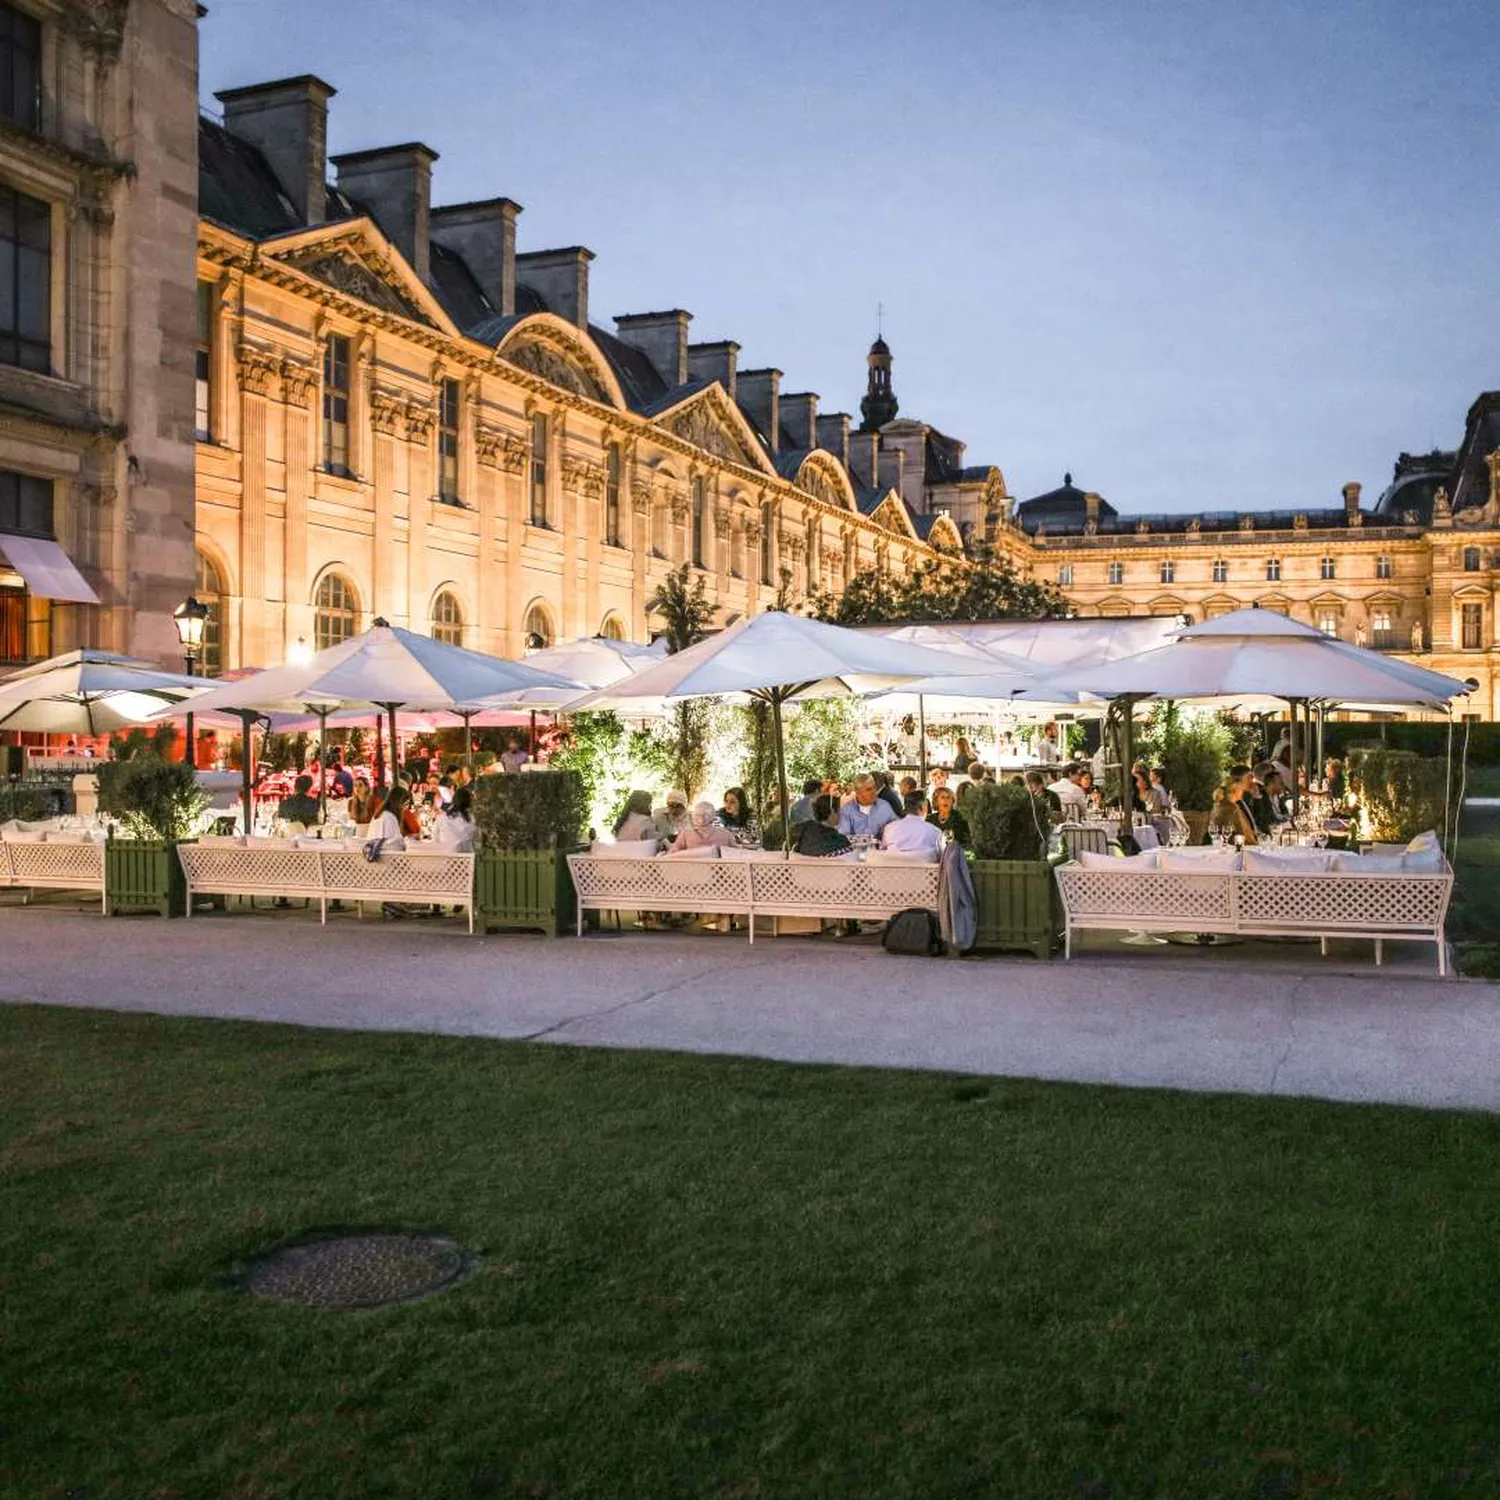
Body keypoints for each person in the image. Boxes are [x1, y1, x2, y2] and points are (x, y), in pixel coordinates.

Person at [837, 773, 897, 841]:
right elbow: (844, 837)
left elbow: (896, 829)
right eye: (869, 789)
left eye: (874, 787)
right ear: (858, 792)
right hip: (857, 850)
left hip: (880, 850)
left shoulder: (885, 806)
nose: (874, 791)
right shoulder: (847, 810)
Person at [883, 791, 944, 855]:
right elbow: (942, 856)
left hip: (893, 864)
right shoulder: (935, 832)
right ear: (922, 808)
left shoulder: (889, 829)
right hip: (924, 864)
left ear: (905, 808)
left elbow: (882, 851)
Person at [670, 802, 736, 853]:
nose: (701, 818)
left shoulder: (725, 834)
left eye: (706, 815)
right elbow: (673, 852)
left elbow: (736, 852)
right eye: (698, 815)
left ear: (712, 817)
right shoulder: (685, 834)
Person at [432, 785, 476, 851]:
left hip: (444, 858)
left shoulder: (441, 818)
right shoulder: (473, 819)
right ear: (470, 802)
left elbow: (435, 841)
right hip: (466, 859)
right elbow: (477, 841)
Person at [370, 784, 409, 851]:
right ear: (400, 803)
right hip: (387, 857)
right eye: (405, 805)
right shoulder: (389, 817)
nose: (404, 809)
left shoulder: (379, 814)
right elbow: (396, 845)